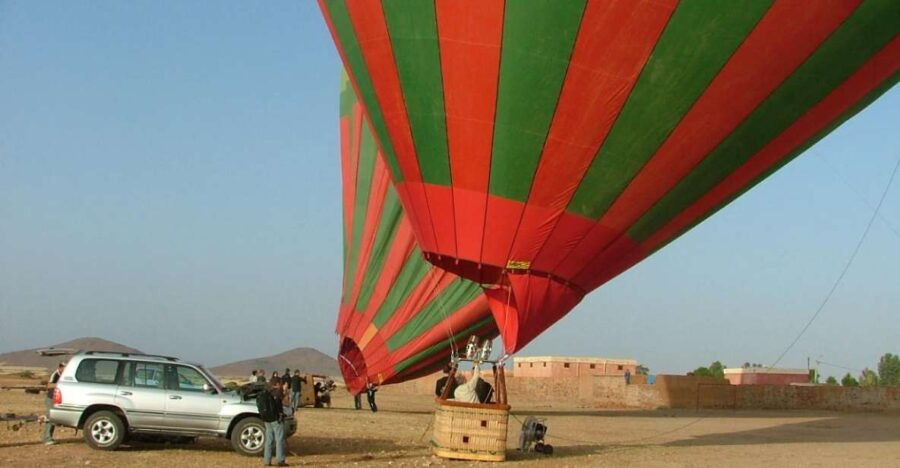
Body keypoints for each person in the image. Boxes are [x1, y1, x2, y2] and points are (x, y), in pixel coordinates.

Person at [258, 377, 287, 467]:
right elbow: (283, 404)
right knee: (279, 440)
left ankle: (267, 461)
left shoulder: (267, 392)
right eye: (281, 383)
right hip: (276, 419)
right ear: (278, 384)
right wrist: (285, 392)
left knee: (269, 440)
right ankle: (280, 460)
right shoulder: (277, 392)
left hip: (267, 419)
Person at [42, 362, 65, 445]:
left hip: (57, 399)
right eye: (64, 367)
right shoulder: (55, 374)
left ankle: (49, 437)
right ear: (60, 367)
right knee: (50, 417)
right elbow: (49, 385)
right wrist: (60, 384)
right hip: (51, 398)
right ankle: (47, 438)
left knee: (54, 418)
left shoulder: (63, 375)